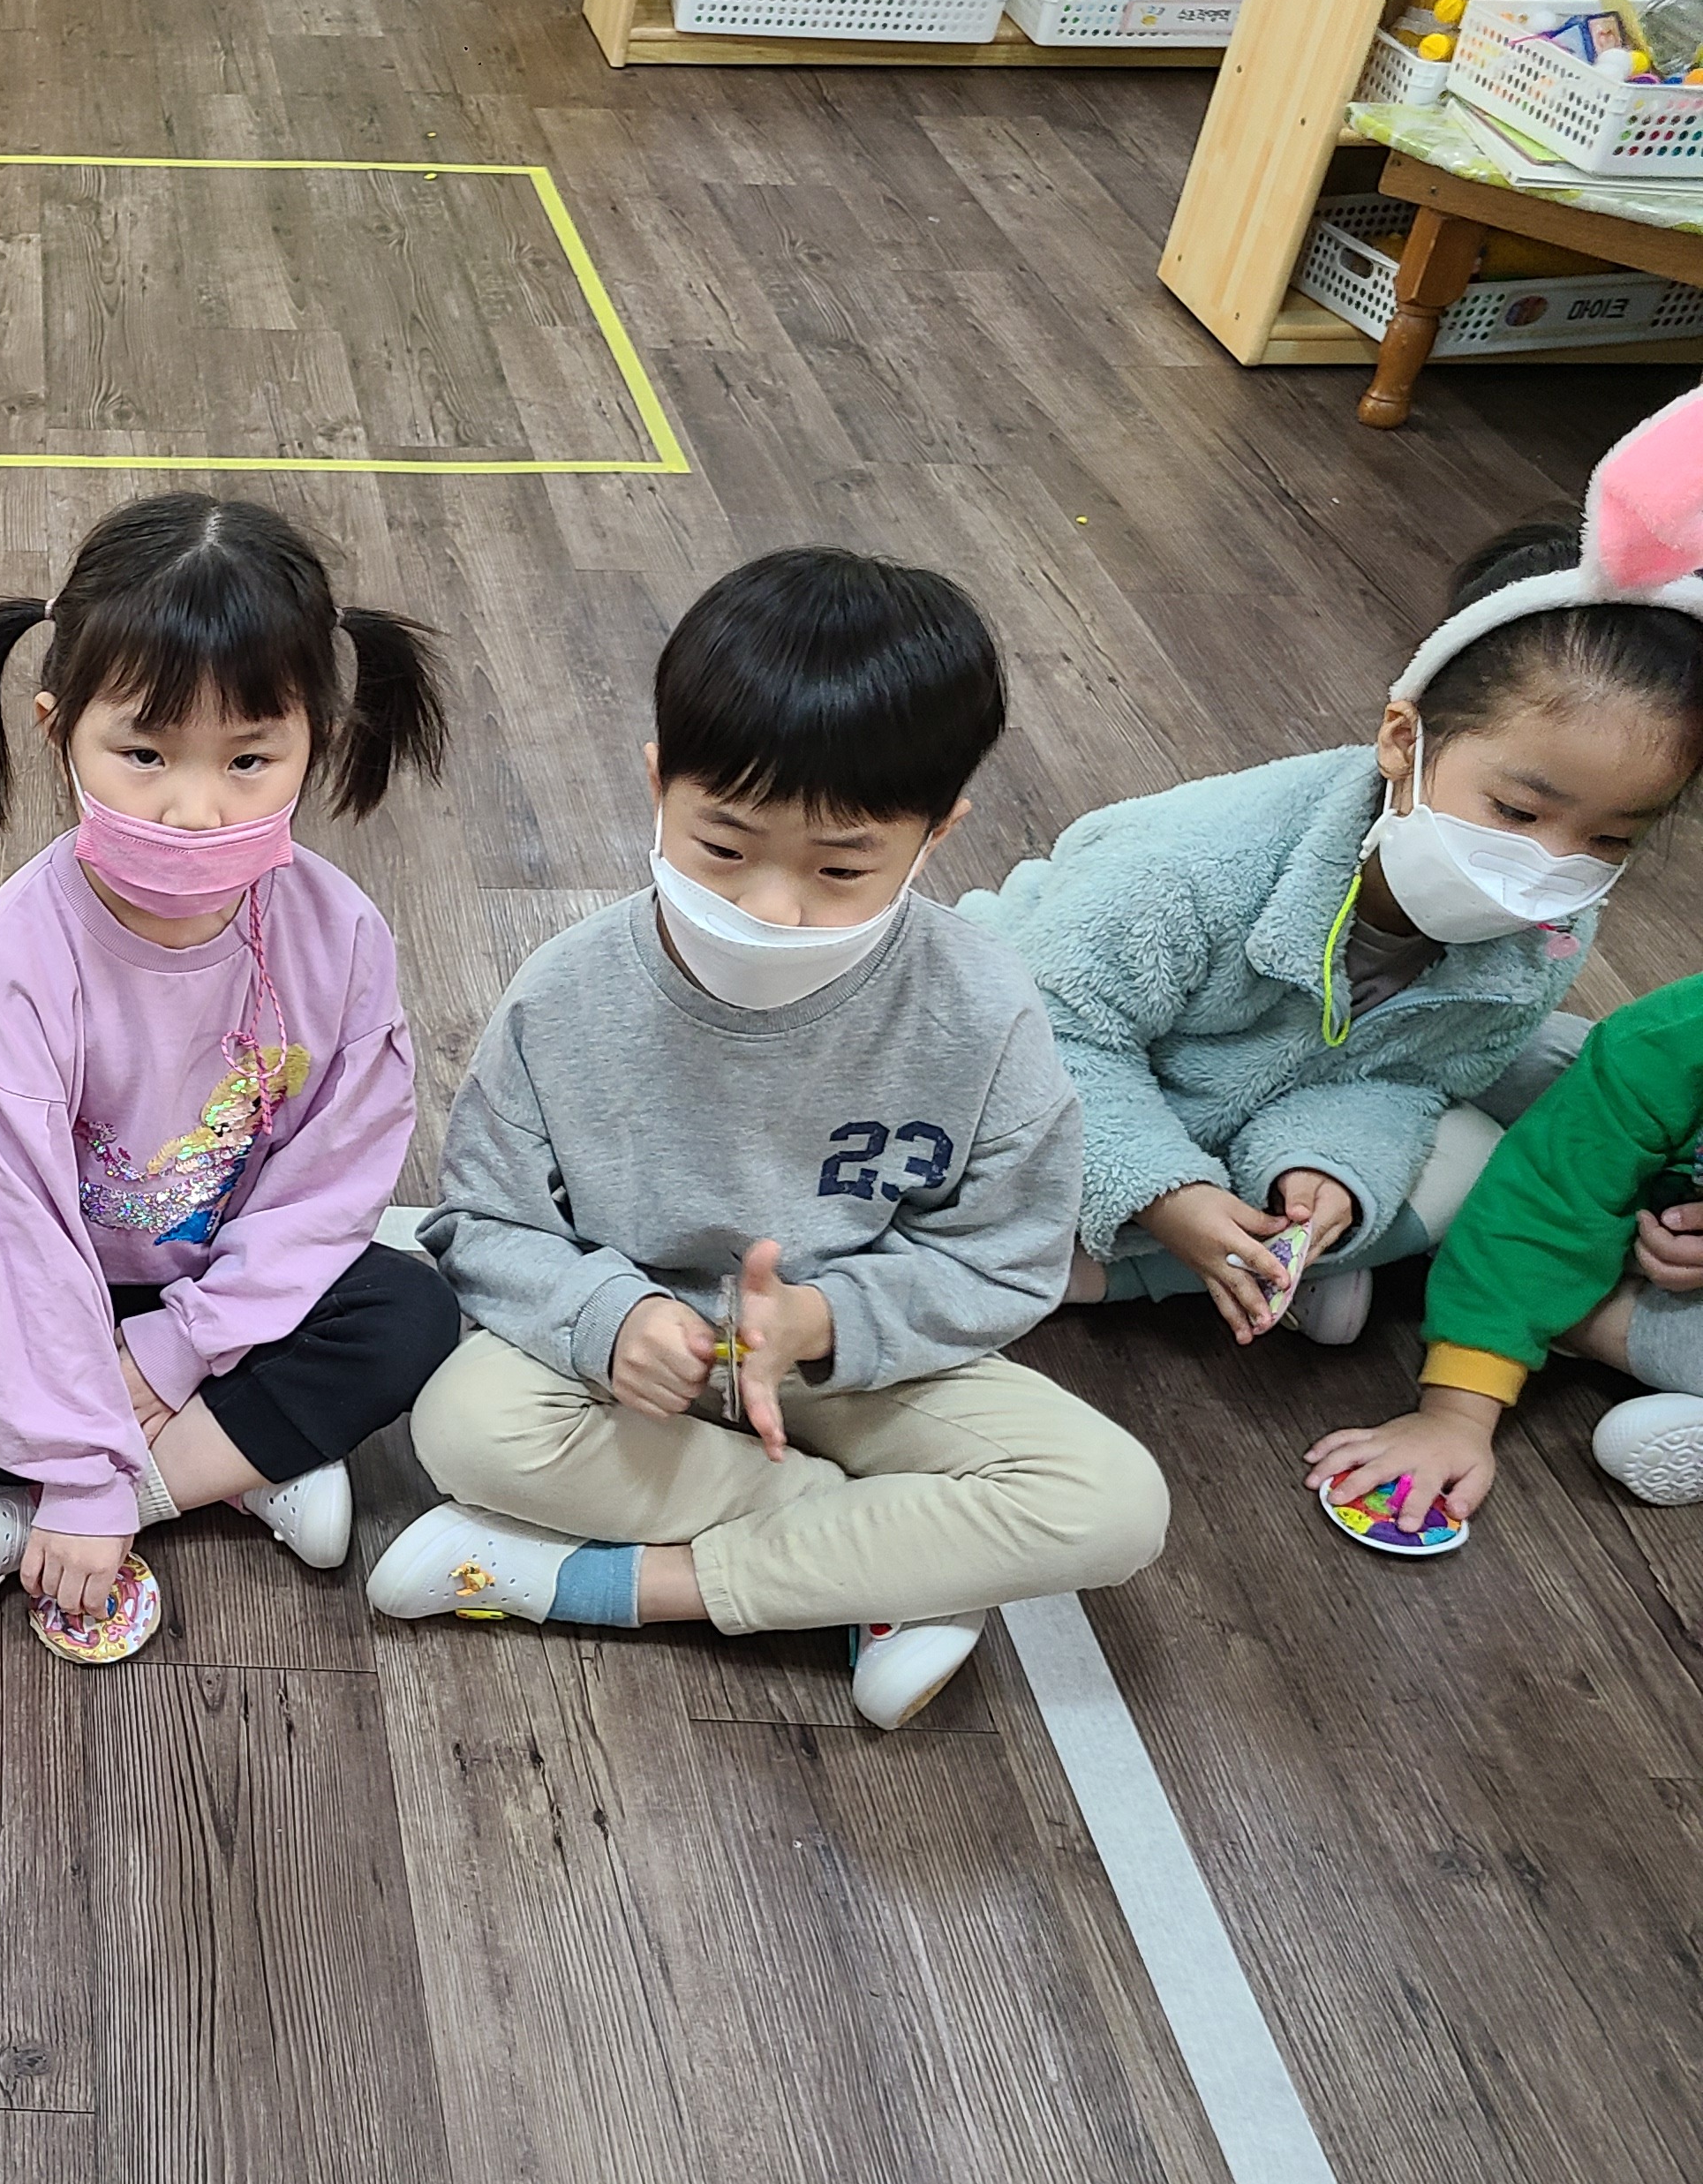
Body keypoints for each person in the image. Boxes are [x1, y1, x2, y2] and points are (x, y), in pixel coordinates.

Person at [369, 547, 1168, 1730]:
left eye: (842, 867)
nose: (771, 906)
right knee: (467, 1428)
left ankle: (608, 1585)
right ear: (659, 783)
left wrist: (824, 1323)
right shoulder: (568, 992)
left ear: (936, 834)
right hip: (630, 1372)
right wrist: (612, 1318)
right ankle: (887, 1569)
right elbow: (484, 1224)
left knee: (1115, 1503)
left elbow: (1010, 1259)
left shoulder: (981, 1009)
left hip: (855, 1371)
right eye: (724, 848)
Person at [961, 389, 1703, 1352]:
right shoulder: (1199, 862)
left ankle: (1252, 1263)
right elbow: (1045, 1031)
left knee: (1475, 1153)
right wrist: (1164, 1192)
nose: (1547, 868)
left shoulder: (1545, 940)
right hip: (1022, 1053)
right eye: (1517, 813)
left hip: (1241, 1100)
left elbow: (1409, 1081)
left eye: (1611, 841)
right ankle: (1124, 1272)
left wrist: (1322, 1173)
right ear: (1403, 739)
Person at [0, 494, 462, 1638]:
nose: (194, 809)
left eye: (249, 759)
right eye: (143, 755)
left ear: (316, 739)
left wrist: (174, 1359)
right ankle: (239, 1461)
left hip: (227, 1291)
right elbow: (16, 1228)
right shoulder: (13, 958)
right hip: (44, 1280)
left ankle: (101, 1493)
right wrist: (78, 1445)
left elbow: (332, 1181)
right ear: (57, 730)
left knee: (412, 1312)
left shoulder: (339, 934)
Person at [1307, 970, 1703, 1527]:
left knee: (1526, 1222)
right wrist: (1456, 1412)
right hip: (1633, 1180)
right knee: (1526, 1056)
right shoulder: (1670, 1041)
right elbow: (1549, 1200)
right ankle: (1520, 1281)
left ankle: (1532, 1290)